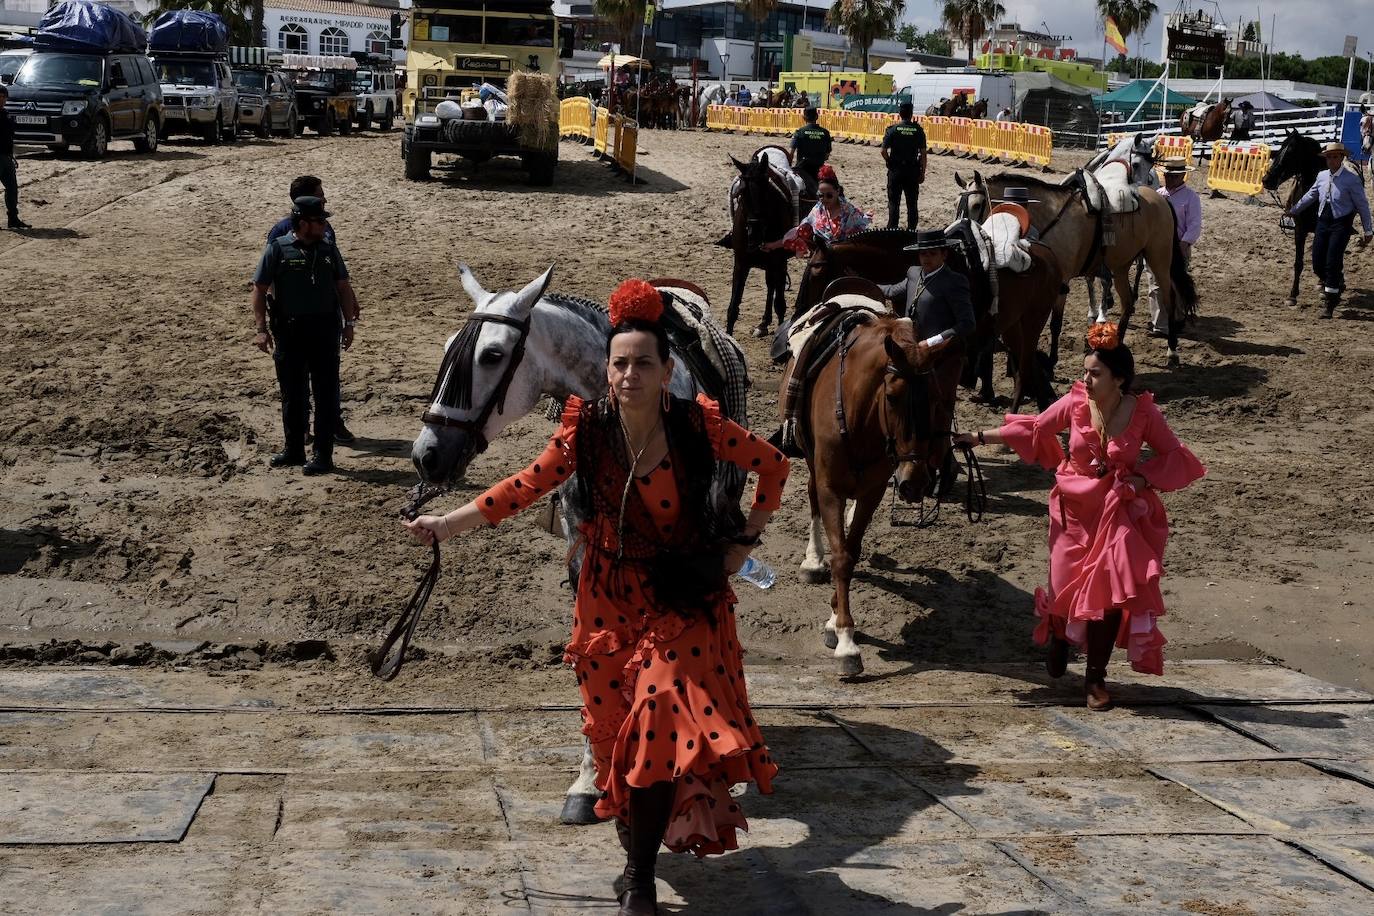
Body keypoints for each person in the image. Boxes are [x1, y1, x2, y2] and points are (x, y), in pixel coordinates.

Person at [404, 279, 789, 916]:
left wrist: (744, 543)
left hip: (681, 599)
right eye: (620, 363)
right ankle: (633, 834)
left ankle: (639, 880)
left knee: (662, 715)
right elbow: (522, 488)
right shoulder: (584, 428)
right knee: (616, 740)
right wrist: (446, 524)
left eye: (643, 363)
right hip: (606, 600)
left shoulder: (701, 424)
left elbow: (774, 466)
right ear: (604, 368)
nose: (630, 375)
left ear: (667, 370)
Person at [955, 323, 1205, 710]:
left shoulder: (1143, 412)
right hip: (1072, 509)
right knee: (1064, 585)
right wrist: (977, 436)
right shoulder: (1073, 403)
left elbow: (1174, 455)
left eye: (1095, 373)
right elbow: (1035, 428)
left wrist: (1140, 478)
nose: (1086, 378)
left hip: (1114, 513)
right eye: (1085, 371)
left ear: (1119, 379)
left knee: (1108, 595)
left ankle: (1095, 678)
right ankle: (1058, 633)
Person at [250, 197, 358, 475]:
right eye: (320, 221)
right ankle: (294, 450)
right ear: (303, 223)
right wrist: (261, 330)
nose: (325, 225)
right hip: (289, 331)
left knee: (325, 394)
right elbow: (259, 289)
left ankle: (323, 455)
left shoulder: (328, 249)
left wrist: (349, 324)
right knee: (293, 394)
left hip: (324, 331)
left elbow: (343, 287)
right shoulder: (278, 248)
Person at [267, 176, 359, 443]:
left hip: (326, 312)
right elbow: (268, 278)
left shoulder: (325, 227)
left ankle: (332, 422)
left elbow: (336, 271)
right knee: (298, 376)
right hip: (294, 317)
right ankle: (302, 428)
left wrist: (350, 300)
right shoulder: (281, 232)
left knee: (327, 376)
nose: (325, 199)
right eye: (320, 196)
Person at [1286, 142, 1373, 318]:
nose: (1332, 160)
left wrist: (1368, 230)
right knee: (1317, 261)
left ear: (1341, 158)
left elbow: (1362, 205)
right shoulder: (1322, 176)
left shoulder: (1352, 179)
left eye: (1335, 157)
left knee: (1332, 261)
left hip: (1341, 224)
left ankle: (1330, 303)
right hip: (1323, 222)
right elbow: (1311, 195)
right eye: (1329, 157)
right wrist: (1294, 210)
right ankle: (1334, 284)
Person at [875, 229, 975, 342]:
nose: (927, 258)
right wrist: (864, 285)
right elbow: (892, 291)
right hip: (912, 345)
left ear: (944, 255)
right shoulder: (914, 273)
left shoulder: (954, 281)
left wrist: (932, 342)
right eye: (923, 253)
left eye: (933, 253)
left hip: (940, 351)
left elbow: (967, 323)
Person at [1145, 159, 1201, 337]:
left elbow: (1195, 224)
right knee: (1155, 285)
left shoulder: (1191, 197)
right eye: (1167, 175)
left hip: (1178, 247)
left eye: (1172, 176)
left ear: (1182, 176)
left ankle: (1177, 318)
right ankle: (1160, 325)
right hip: (1155, 247)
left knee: (1176, 284)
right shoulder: (1157, 195)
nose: (1168, 179)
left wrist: (1184, 244)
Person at [763, 164, 871, 256]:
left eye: (829, 195)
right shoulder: (816, 211)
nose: (824, 199)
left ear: (838, 191)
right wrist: (772, 245)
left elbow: (859, 239)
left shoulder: (850, 213)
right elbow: (799, 231)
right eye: (820, 196)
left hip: (844, 258)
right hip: (822, 259)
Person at [881, 101, 927, 230]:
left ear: (900, 113)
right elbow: (923, 154)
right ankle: (911, 229)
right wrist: (922, 172)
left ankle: (893, 229)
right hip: (912, 170)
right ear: (911, 114)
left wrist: (889, 161)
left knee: (894, 202)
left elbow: (883, 151)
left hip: (896, 169)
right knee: (912, 203)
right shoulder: (918, 131)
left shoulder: (892, 130)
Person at [0, 85, 30, 231]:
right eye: (0, 97)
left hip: (7, 156)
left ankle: (13, 218)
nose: (2, 100)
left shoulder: (6, 114)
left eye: (4, 97)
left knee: (12, 188)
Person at [788, 106, 831, 194]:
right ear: (817, 117)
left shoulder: (800, 132)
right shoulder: (825, 133)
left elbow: (791, 153)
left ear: (804, 118)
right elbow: (827, 155)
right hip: (818, 170)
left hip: (802, 170)